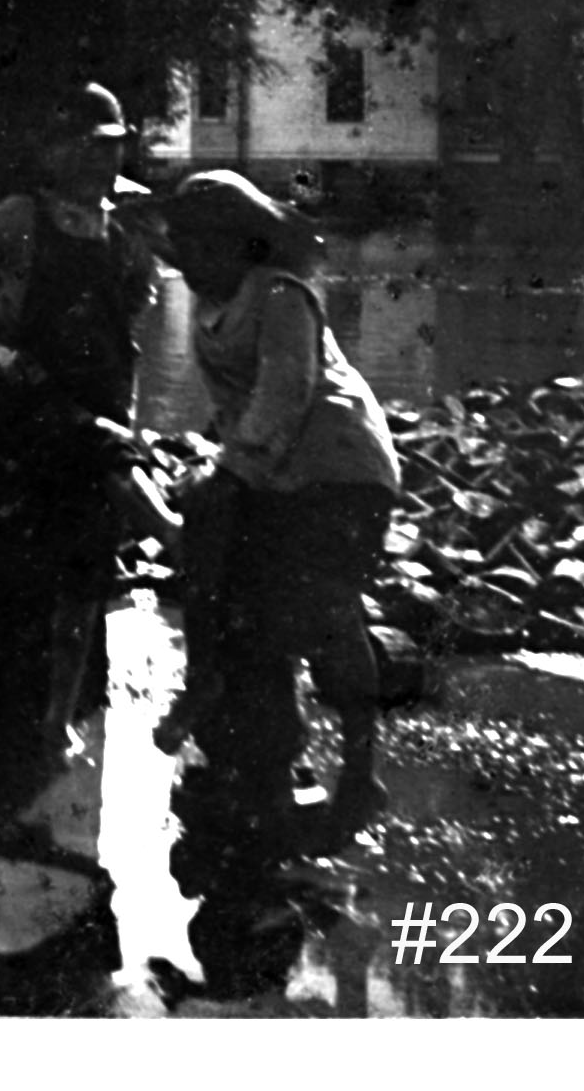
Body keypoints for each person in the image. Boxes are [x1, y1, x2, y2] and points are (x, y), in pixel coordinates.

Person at [0, 83, 175, 781]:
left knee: (84, 580)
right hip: (25, 419)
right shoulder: (17, 220)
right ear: (57, 151)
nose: (100, 162)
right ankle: (2, 719)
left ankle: (58, 717)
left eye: (112, 148)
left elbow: (139, 307)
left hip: (103, 410)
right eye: (89, 148)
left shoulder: (124, 226)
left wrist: (141, 270)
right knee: (21, 570)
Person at [149, 169, 401, 840]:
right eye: (185, 248)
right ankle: (254, 741)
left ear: (245, 245)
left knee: (323, 611)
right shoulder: (210, 295)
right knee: (241, 600)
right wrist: (212, 460)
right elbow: (238, 401)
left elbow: (284, 393)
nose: (193, 260)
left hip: (341, 471)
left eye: (207, 248)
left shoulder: (281, 295)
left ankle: (359, 767)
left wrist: (227, 472)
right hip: (276, 470)